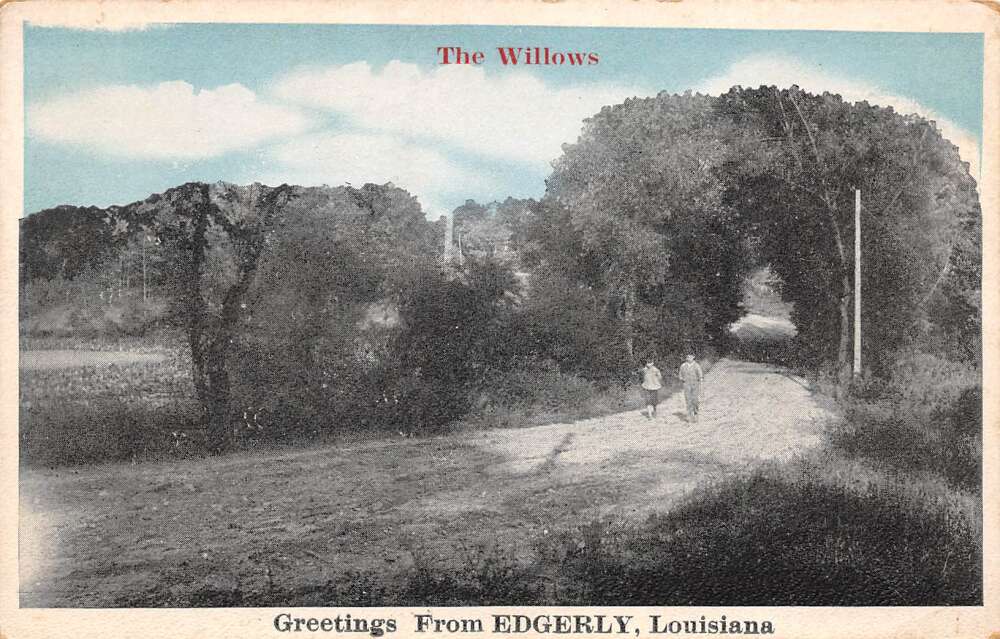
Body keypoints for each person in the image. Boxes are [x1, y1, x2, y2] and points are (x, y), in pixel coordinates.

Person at [678, 354, 704, 422]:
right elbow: (680, 375)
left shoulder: (696, 365)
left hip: (695, 384)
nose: (689, 358)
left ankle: (696, 413)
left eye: (690, 356)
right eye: (687, 357)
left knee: (695, 400)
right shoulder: (683, 365)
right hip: (686, 385)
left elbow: (700, 375)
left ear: (693, 357)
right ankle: (689, 415)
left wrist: (700, 381)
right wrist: (682, 379)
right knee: (688, 400)